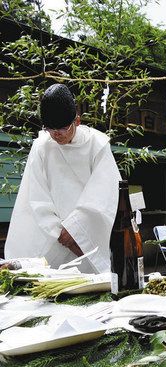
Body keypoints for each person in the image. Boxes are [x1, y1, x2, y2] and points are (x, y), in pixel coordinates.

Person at [5, 84, 120, 273]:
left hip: (87, 238)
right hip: (52, 238)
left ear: (77, 121)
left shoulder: (97, 145)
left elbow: (105, 193)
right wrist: (60, 232)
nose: (56, 134)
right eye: (50, 129)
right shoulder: (42, 146)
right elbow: (35, 195)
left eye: (62, 128)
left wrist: (76, 229)